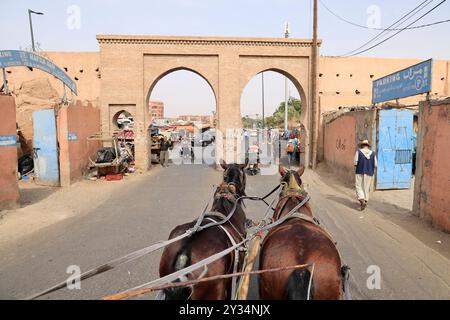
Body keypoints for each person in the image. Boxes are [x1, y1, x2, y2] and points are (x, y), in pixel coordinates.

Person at [354, 139, 377, 211]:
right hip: (369, 172)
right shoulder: (373, 153)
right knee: (366, 187)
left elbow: (355, 162)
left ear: (362, 146)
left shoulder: (358, 152)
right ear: (367, 146)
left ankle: (362, 200)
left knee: (359, 186)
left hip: (360, 171)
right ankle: (366, 200)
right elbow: (376, 165)